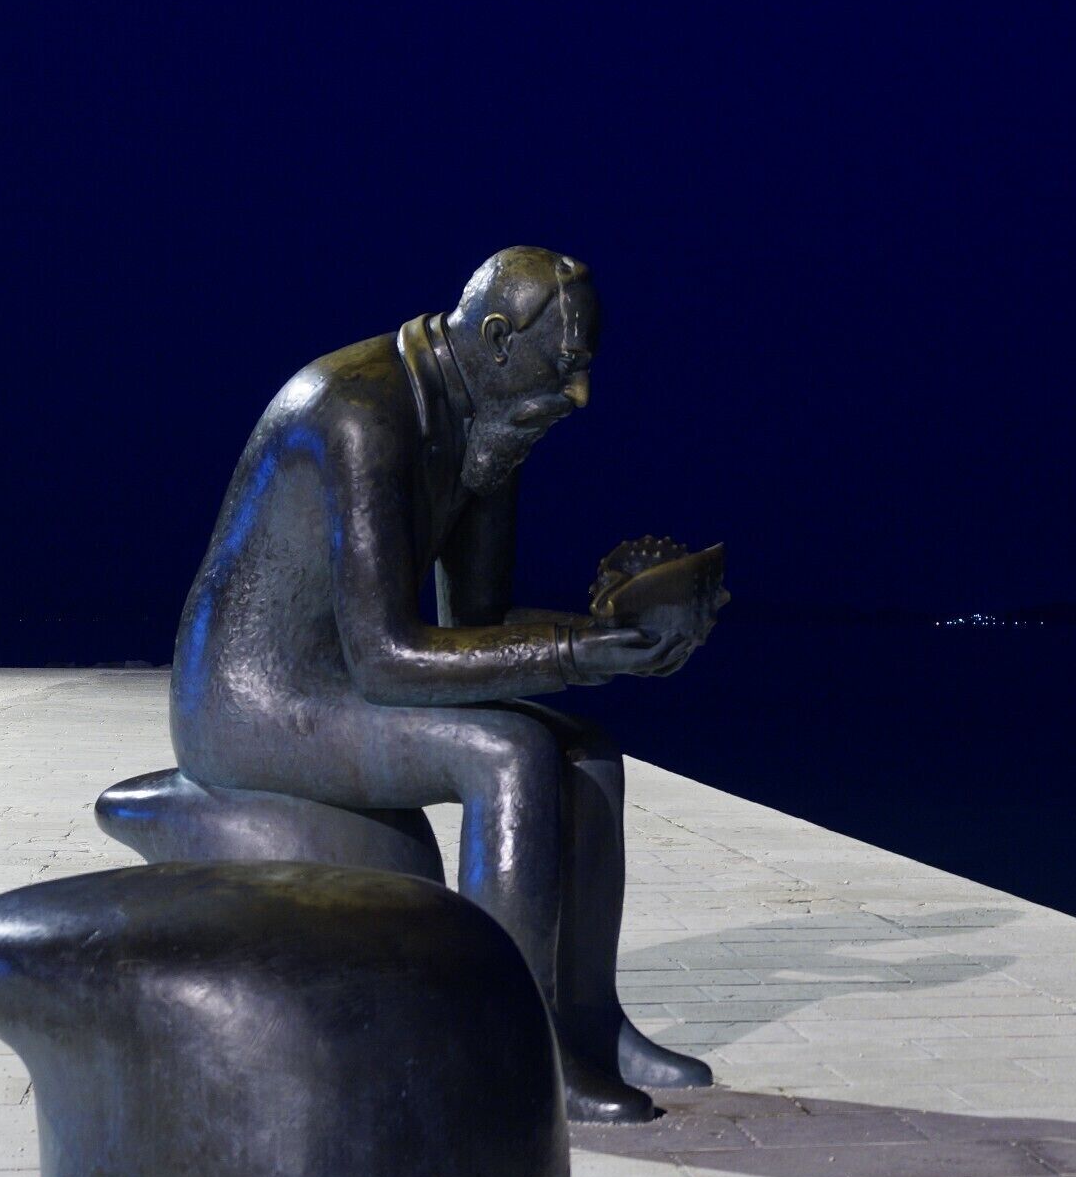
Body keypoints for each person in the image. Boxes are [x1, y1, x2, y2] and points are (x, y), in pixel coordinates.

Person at [171, 247, 709, 1122]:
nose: (579, 396)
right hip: (253, 702)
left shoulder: (494, 419)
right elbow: (387, 658)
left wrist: (612, 636)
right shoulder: (360, 411)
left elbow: (475, 620)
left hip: (344, 680)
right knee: (508, 753)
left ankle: (589, 1023)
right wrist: (573, 654)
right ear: (496, 340)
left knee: (587, 753)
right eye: (565, 367)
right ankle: (506, 1051)